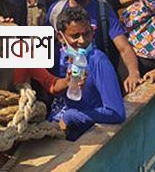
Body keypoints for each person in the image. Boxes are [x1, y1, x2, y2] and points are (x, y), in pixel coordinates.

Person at [46, 0, 141, 93]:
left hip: (98, 82)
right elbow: (46, 47)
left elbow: (123, 47)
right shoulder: (56, 11)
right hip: (64, 83)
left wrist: (133, 72)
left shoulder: (103, 10)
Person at [49, 7, 125, 141]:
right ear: (61, 37)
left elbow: (116, 113)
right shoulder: (58, 58)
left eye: (86, 34)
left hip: (84, 135)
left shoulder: (98, 61)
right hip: (55, 128)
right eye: (75, 36)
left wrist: (71, 116)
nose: (82, 41)